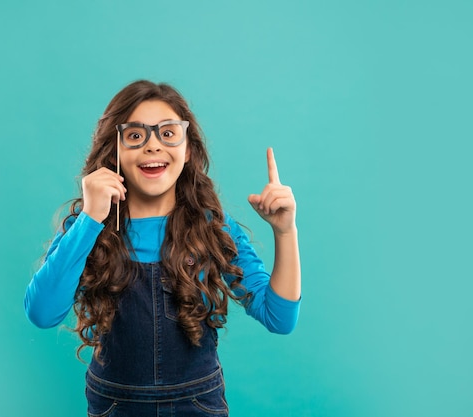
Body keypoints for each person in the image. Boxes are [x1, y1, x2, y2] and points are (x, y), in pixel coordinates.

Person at [24, 80, 301, 416]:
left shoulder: (212, 226)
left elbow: (279, 317)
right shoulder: (86, 227)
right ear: (115, 151)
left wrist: (285, 231)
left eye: (168, 133)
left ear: (188, 150)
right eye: (136, 135)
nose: (153, 146)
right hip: (114, 405)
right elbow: (41, 313)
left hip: (197, 404)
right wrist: (91, 217)